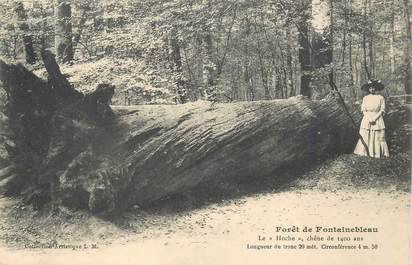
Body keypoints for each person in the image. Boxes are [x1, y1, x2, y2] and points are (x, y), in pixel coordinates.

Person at [353, 79, 390, 158]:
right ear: (368, 89)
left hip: (378, 118)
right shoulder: (365, 98)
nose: (372, 89)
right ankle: (365, 152)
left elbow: (382, 110)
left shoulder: (380, 98)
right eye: (370, 88)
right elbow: (363, 110)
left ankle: (377, 153)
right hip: (367, 118)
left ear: (376, 88)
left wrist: (375, 118)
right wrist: (369, 118)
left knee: (378, 135)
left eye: (373, 88)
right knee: (366, 133)